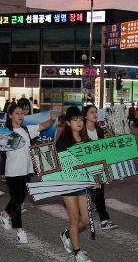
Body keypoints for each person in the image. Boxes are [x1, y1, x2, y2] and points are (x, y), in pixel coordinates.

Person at [0, 104, 56, 244]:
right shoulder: (6, 132)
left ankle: (5, 214)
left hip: (27, 170)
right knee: (17, 201)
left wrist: (52, 120)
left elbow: (42, 126)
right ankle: (19, 230)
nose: (20, 115)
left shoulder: (26, 130)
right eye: (17, 113)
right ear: (10, 115)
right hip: (13, 171)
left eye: (22, 113)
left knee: (19, 197)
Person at [56, 106, 92, 262]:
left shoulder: (87, 139)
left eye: (80, 119)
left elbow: (93, 162)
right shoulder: (62, 142)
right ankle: (78, 253)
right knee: (75, 218)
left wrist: (96, 178)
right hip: (68, 183)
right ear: (68, 123)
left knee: (85, 220)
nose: (79, 122)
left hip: (84, 183)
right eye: (75, 120)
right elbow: (61, 166)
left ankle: (67, 234)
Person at [82, 105, 118, 230]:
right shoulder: (81, 131)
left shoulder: (100, 131)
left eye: (96, 112)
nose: (95, 114)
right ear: (85, 115)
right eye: (92, 112)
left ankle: (99, 212)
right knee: (97, 194)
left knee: (100, 193)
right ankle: (104, 220)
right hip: (87, 167)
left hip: (99, 166)